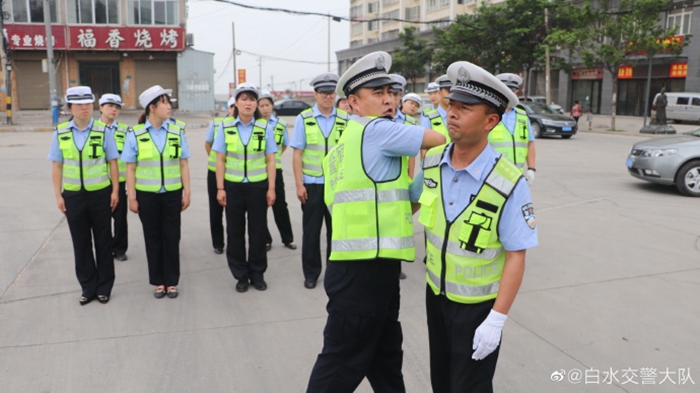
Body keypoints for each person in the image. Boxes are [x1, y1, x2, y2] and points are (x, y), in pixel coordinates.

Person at [306, 51, 446, 392]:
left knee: (385, 359)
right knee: (340, 362)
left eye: (392, 93)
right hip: (362, 272)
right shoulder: (377, 130)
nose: (389, 100)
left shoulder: (341, 147)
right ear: (353, 102)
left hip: (371, 266)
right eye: (378, 93)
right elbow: (441, 139)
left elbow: (394, 199)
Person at [410, 61, 538, 392]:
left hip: (477, 307)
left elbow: (516, 254)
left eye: (465, 109)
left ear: (490, 121)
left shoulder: (509, 181)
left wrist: (496, 319)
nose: (451, 113)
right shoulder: (433, 161)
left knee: (470, 387)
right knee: (441, 379)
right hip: (436, 294)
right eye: (451, 104)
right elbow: (413, 205)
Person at [48, 86, 119, 306]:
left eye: (88, 103)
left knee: (104, 241)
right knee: (80, 243)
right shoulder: (61, 133)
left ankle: (104, 287)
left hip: (100, 194)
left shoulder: (103, 130)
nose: (84, 108)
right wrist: (58, 196)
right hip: (73, 196)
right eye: (79, 104)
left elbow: (112, 162)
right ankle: (88, 287)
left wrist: (115, 190)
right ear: (70, 107)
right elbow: (57, 166)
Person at [122, 85, 191, 299]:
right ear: (152, 107)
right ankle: (158, 281)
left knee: (172, 237)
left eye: (169, 103)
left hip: (171, 193)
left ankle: (172, 282)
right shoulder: (135, 133)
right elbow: (130, 168)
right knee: (152, 237)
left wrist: (187, 192)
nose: (169, 107)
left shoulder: (177, 130)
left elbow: (183, 164)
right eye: (165, 103)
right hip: (146, 195)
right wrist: (131, 197)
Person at [213, 83, 277, 293]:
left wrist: (271, 188)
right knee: (235, 232)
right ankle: (240, 275)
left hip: (258, 187)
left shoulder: (264, 128)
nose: (248, 103)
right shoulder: (225, 127)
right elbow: (219, 160)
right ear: (236, 103)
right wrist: (220, 188)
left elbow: (270, 160)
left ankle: (257, 273)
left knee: (258, 232)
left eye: (252, 99)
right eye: (244, 99)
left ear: (256, 104)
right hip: (233, 187)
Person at [290, 72, 349, 289]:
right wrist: (299, 184)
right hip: (312, 186)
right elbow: (297, 154)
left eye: (331, 92)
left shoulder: (345, 119)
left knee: (337, 232)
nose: (327, 96)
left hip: (338, 187)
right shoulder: (304, 119)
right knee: (311, 232)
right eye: (323, 92)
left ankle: (334, 273)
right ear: (315, 94)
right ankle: (311, 273)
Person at [258, 90, 296, 251]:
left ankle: (287, 238)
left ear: (272, 106)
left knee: (280, 205)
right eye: (261, 105)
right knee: (260, 206)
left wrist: (274, 159)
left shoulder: (280, 125)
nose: (265, 108)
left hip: (276, 170)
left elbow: (285, 145)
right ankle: (265, 240)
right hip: (259, 172)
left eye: (267, 105)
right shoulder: (255, 125)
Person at [98, 93, 130, 262]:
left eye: (117, 107)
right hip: (99, 181)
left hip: (120, 181)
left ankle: (119, 249)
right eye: (110, 106)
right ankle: (105, 249)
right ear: (101, 108)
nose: (113, 110)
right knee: (101, 219)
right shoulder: (93, 129)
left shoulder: (125, 131)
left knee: (120, 218)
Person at [490, 73, 536, 183]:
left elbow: (530, 143)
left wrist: (531, 168)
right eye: (507, 91)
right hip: (492, 175)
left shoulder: (522, 115)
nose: (511, 94)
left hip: (517, 176)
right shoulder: (489, 114)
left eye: (514, 91)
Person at [204, 97, 235, 255]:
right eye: (232, 106)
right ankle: (218, 243)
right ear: (228, 109)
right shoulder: (216, 124)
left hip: (232, 174)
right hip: (215, 172)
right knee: (215, 209)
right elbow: (207, 144)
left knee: (233, 211)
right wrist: (217, 162)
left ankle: (233, 242)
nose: (234, 109)